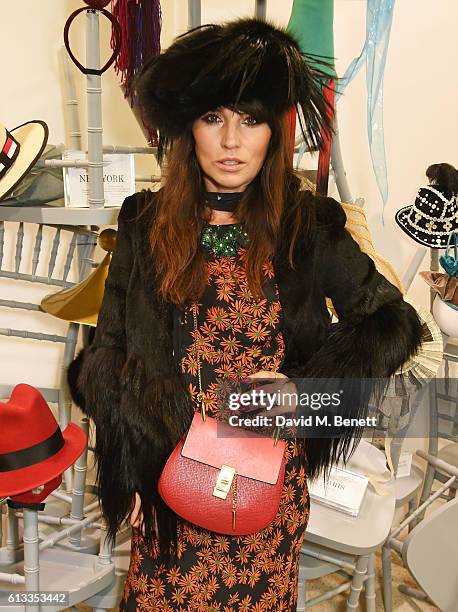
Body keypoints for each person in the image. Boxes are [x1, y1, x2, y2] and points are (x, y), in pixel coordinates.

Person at [68, 18, 425, 610]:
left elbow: (392, 323)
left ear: (273, 132)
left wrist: (307, 393)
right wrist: (126, 462)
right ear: (188, 129)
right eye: (214, 118)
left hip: (264, 484)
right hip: (169, 483)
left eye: (251, 119)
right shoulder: (142, 224)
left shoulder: (307, 228)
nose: (232, 141)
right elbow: (106, 354)